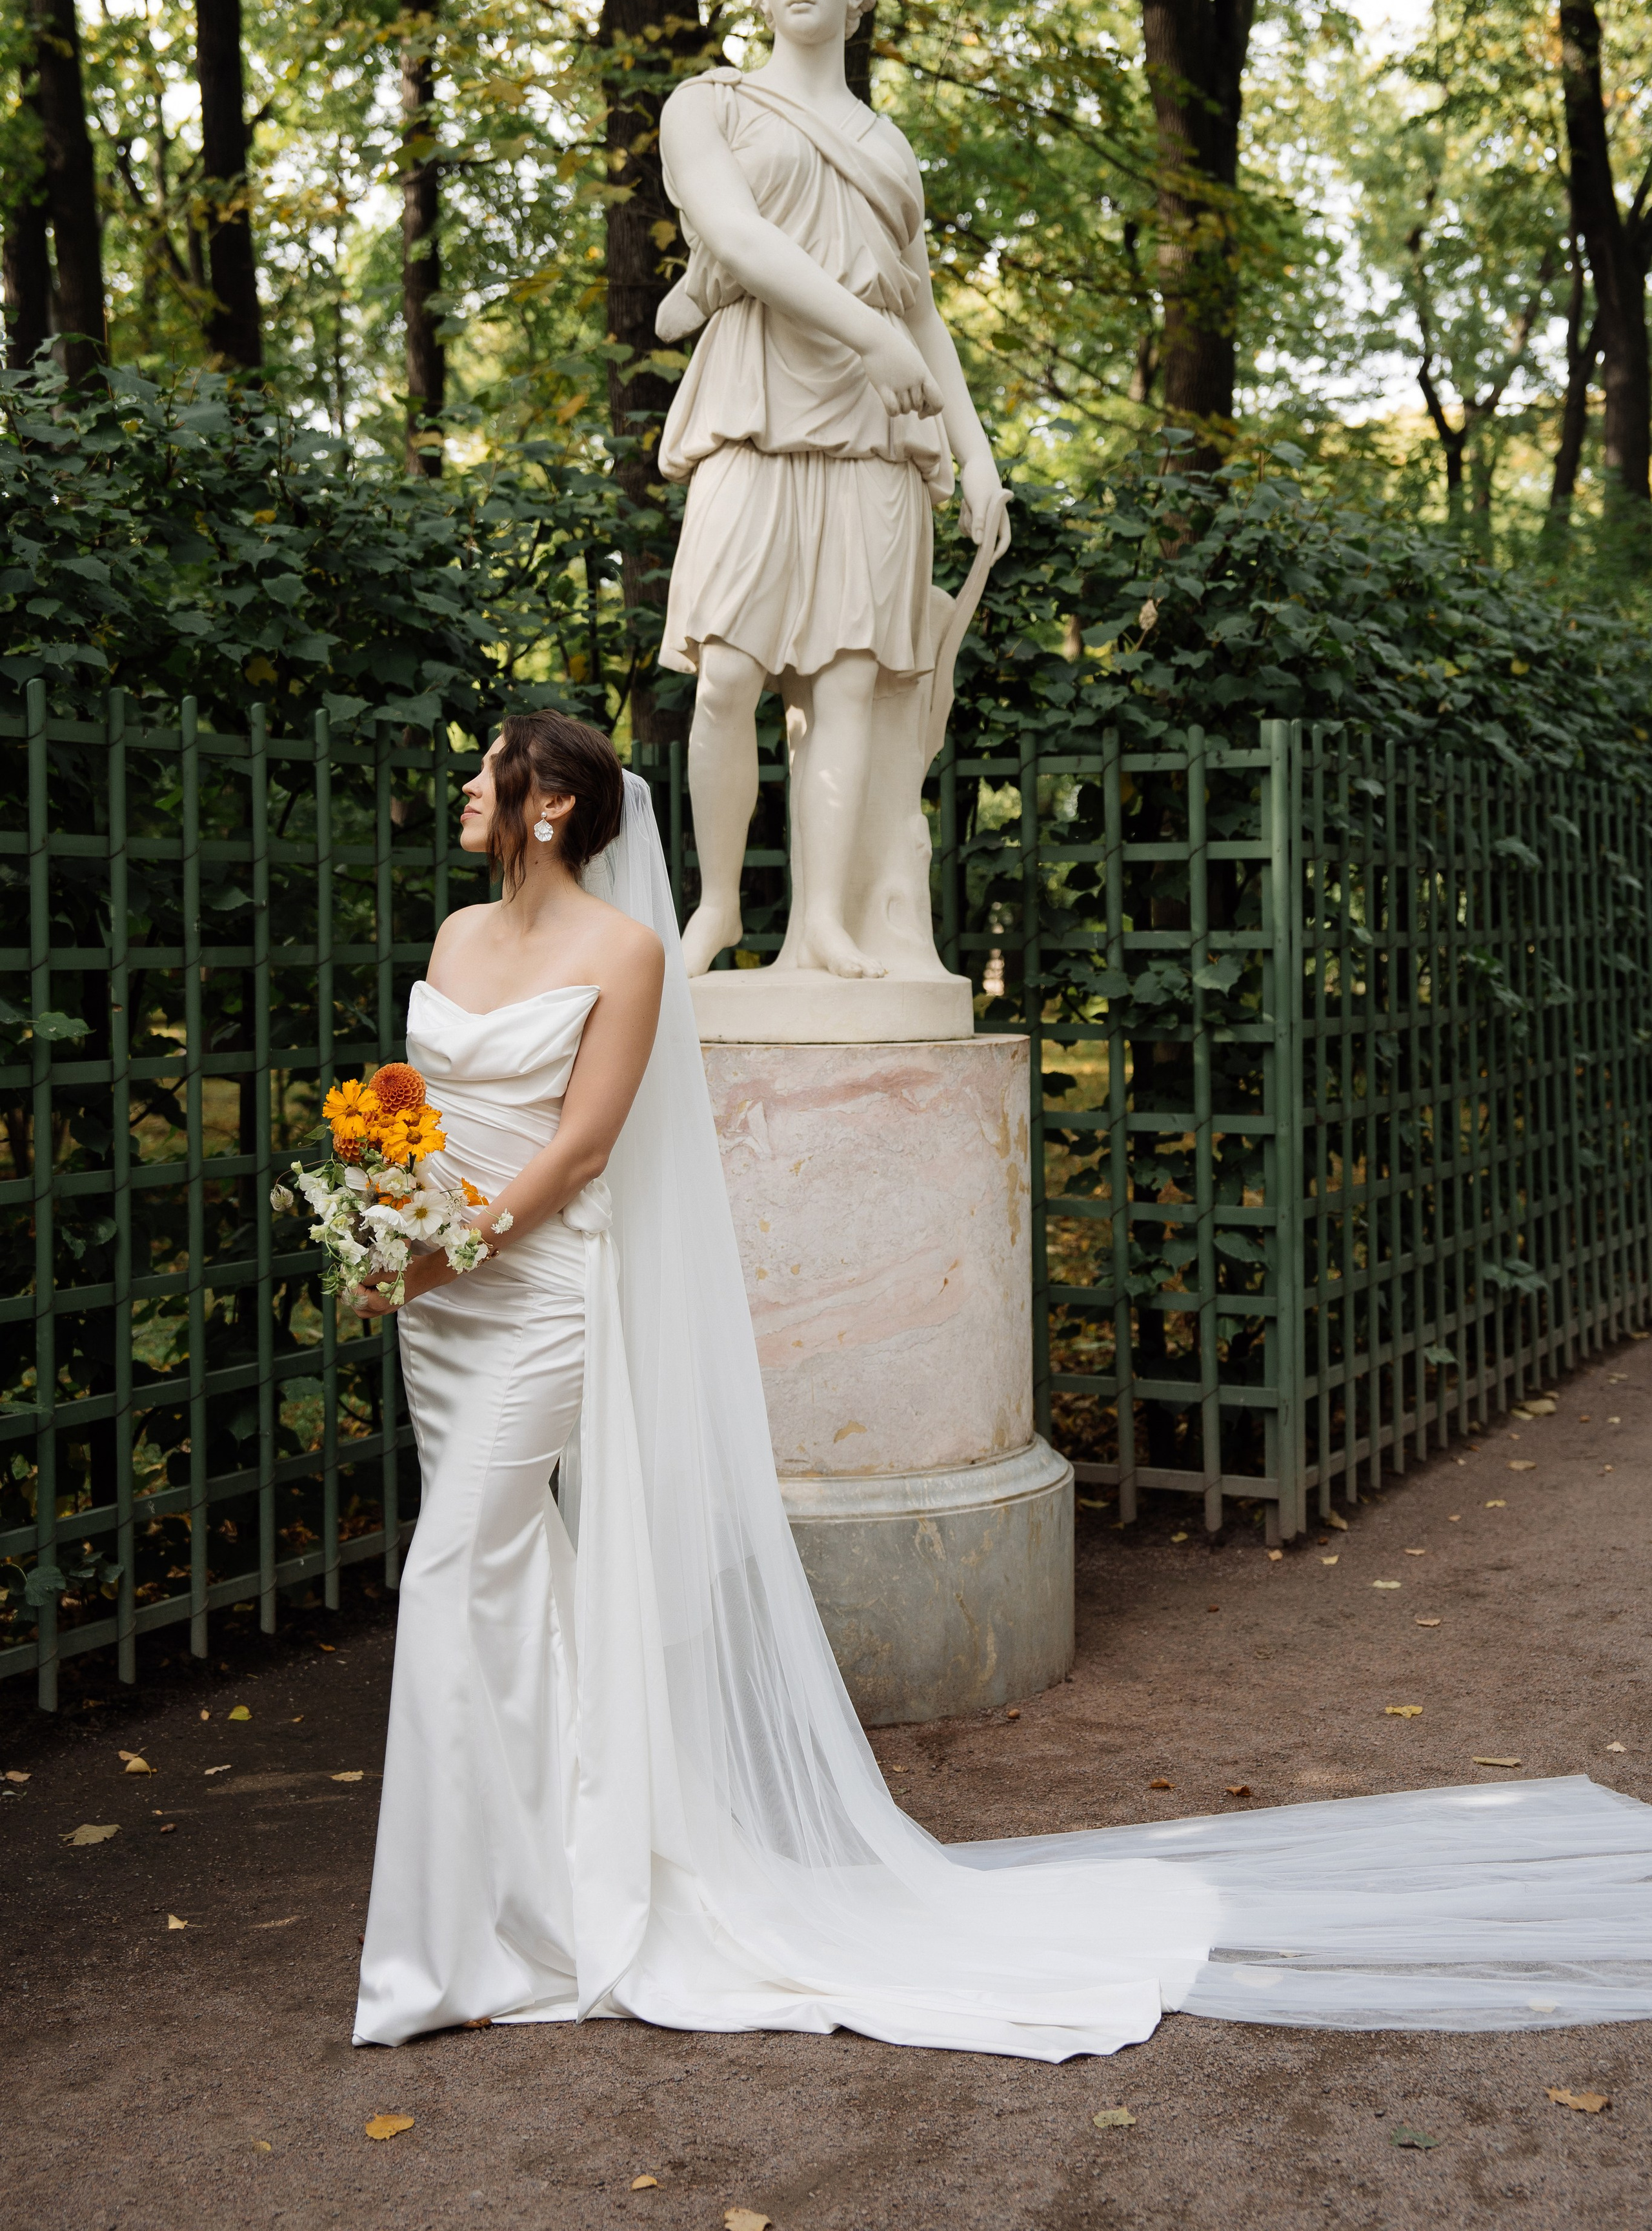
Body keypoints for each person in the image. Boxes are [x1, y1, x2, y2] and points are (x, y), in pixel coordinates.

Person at [351, 708, 1652, 2054]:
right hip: (437, 1304)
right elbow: (424, 1114)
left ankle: (442, 1950)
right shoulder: (455, 937)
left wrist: (442, 1250)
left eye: (487, 769)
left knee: (453, 1567)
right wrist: (384, 1219)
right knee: (506, 1578)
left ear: (549, 805)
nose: (464, 785)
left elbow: (577, 1151)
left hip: (528, 1289)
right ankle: (543, 1878)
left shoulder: (624, 954)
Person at [655, 0, 1010, 984]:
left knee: (850, 683)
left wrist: (978, 452)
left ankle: (824, 924)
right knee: (726, 675)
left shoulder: (888, 147)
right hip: (754, 408)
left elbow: (920, 312)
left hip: (874, 436)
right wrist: (868, 337)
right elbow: (743, 244)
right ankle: (716, 907)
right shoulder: (708, 106)